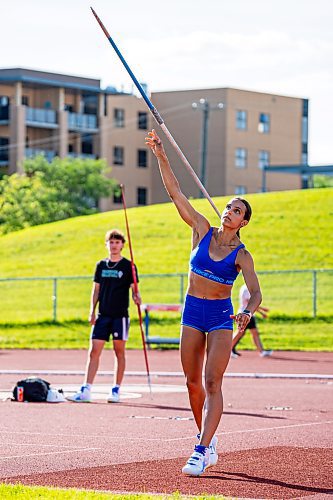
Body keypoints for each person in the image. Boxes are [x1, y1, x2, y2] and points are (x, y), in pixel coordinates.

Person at [145, 129, 262, 477]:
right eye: (228, 206)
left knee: (213, 382)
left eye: (237, 210)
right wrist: (161, 155)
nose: (229, 211)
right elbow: (175, 193)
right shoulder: (201, 229)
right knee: (192, 382)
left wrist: (246, 311)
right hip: (192, 312)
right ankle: (207, 442)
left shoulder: (242, 255)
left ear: (244, 222)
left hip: (220, 317)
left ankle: (199, 450)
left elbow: (255, 292)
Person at [67, 229, 141, 403]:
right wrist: (92, 310)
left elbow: (134, 290)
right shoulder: (101, 265)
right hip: (103, 315)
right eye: (111, 242)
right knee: (94, 351)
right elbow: (96, 290)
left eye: (117, 242)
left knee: (119, 351)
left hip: (120, 316)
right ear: (106, 244)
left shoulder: (128, 266)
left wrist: (137, 297)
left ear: (122, 244)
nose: (114, 245)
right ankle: (86, 389)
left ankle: (116, 389)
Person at [231, 284, 272, 358]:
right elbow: (251, 303)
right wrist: (262, 311)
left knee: (254, 333)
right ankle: (229, 349)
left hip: (248, 314)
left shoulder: (246, 288)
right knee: (240, 333)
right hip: (245, 314)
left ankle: (261, 351)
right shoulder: (247, 288)